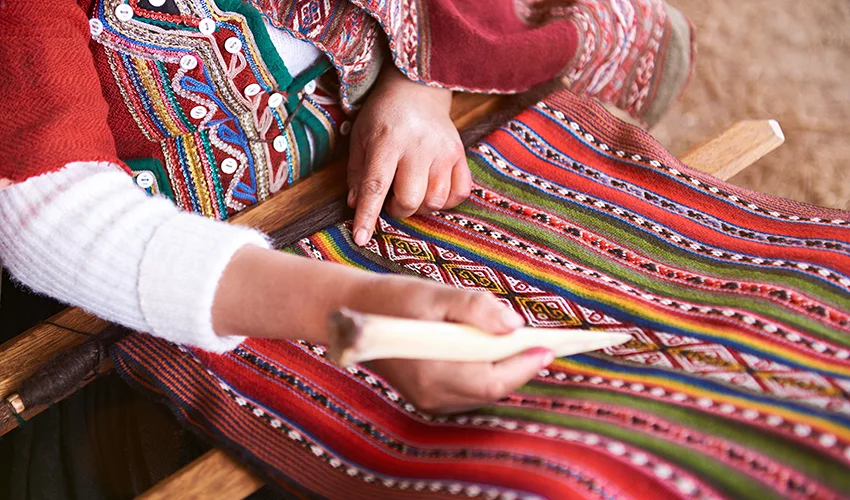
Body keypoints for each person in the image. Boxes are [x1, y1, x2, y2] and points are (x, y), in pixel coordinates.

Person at [0, 0, 693, 497]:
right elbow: (52, 211)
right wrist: (351, 311)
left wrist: (420, 85)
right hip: (143, 289)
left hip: (353, 190)